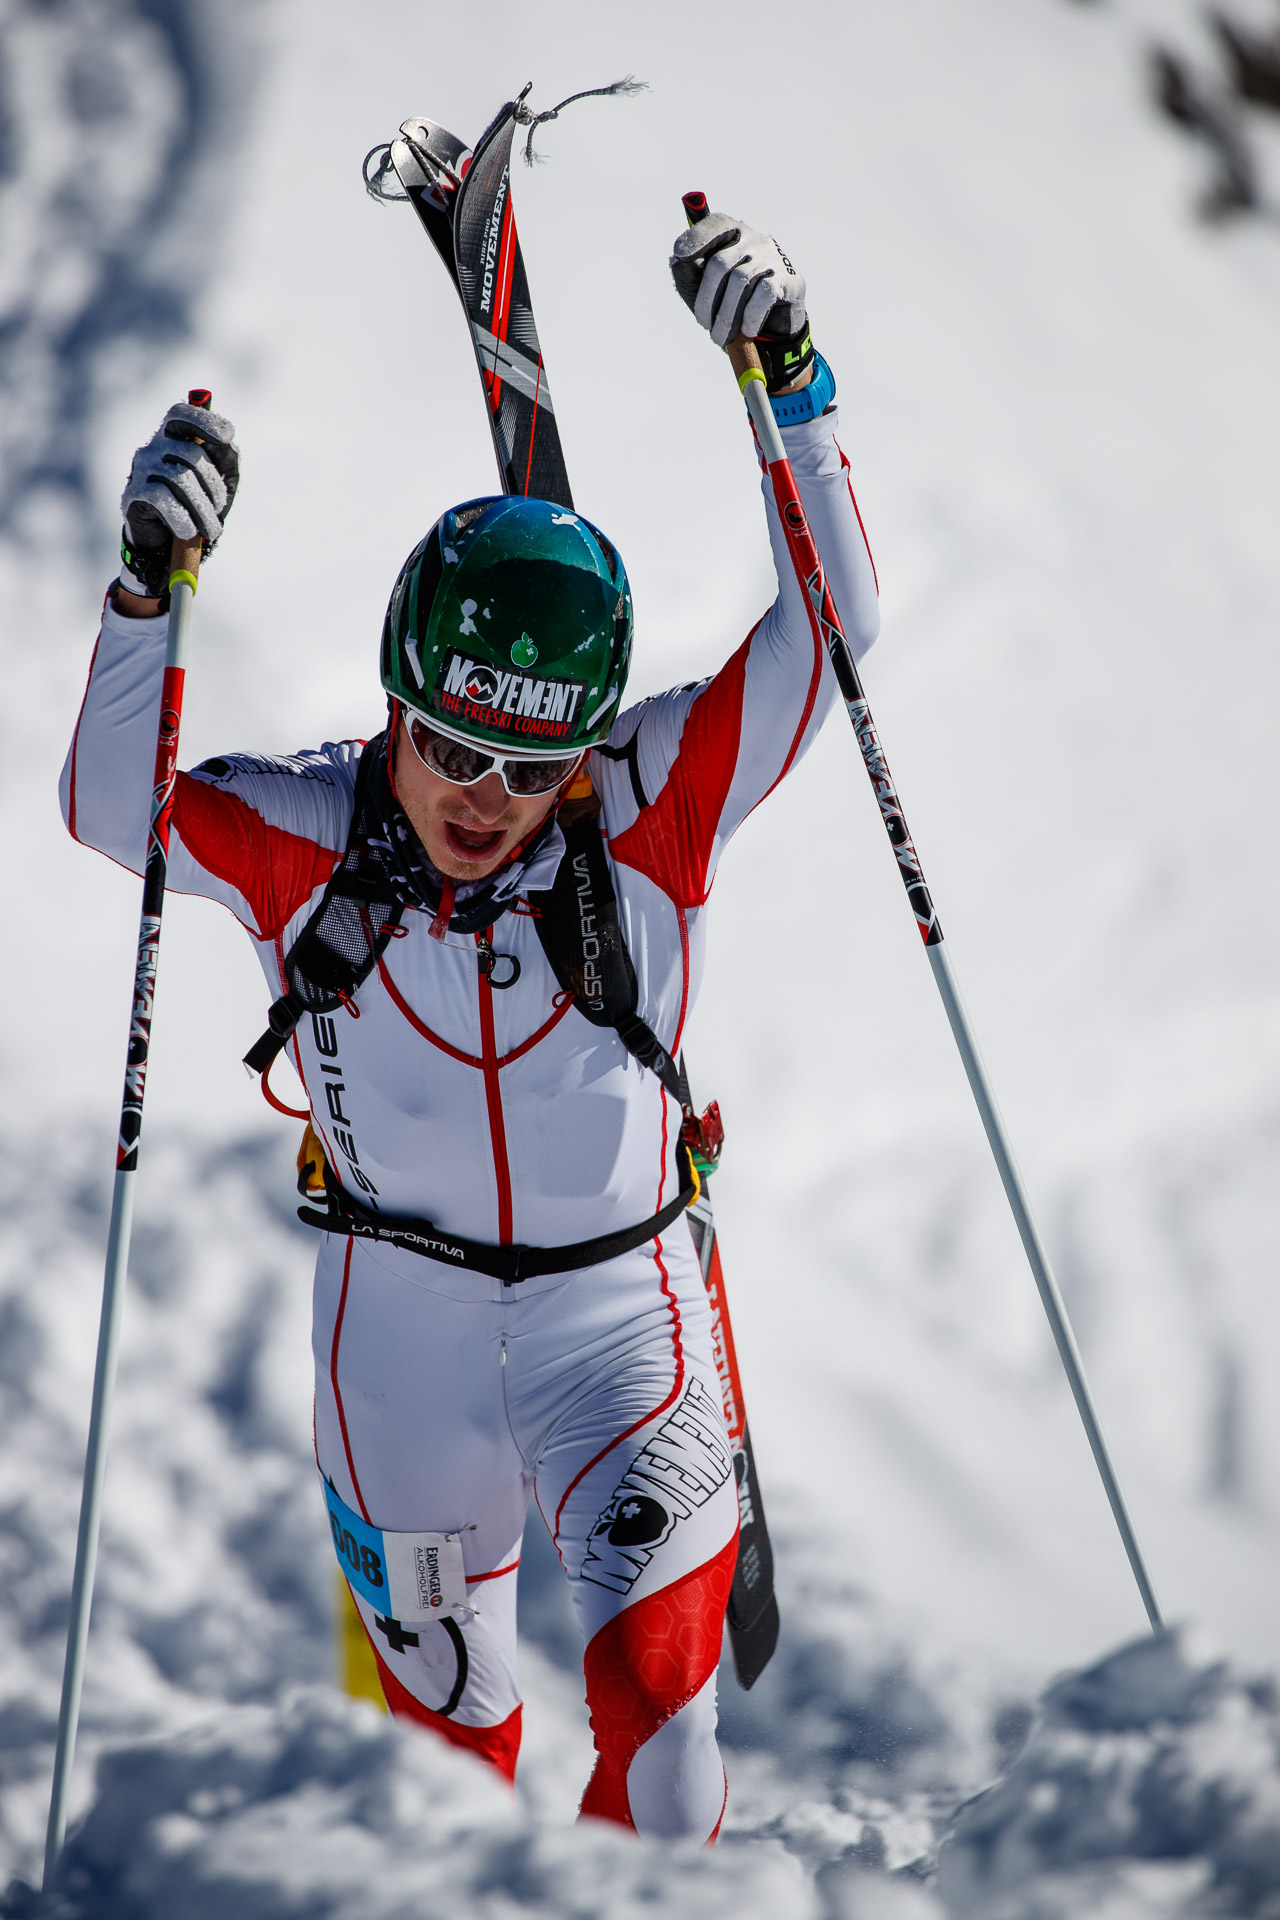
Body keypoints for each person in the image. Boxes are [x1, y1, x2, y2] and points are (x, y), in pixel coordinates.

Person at [60, 212, 880, 1843]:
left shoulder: (648, 806)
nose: (482, 802)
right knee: (447, 1771)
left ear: (586, 746)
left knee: (663, 1732)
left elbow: (830, 639)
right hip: (402, 1338)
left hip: (622, 1323)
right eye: (447, 748)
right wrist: (151, 589)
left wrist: (790, 389)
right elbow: (108, 807)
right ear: (398, 701)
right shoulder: (308, 829)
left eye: (528, 767)